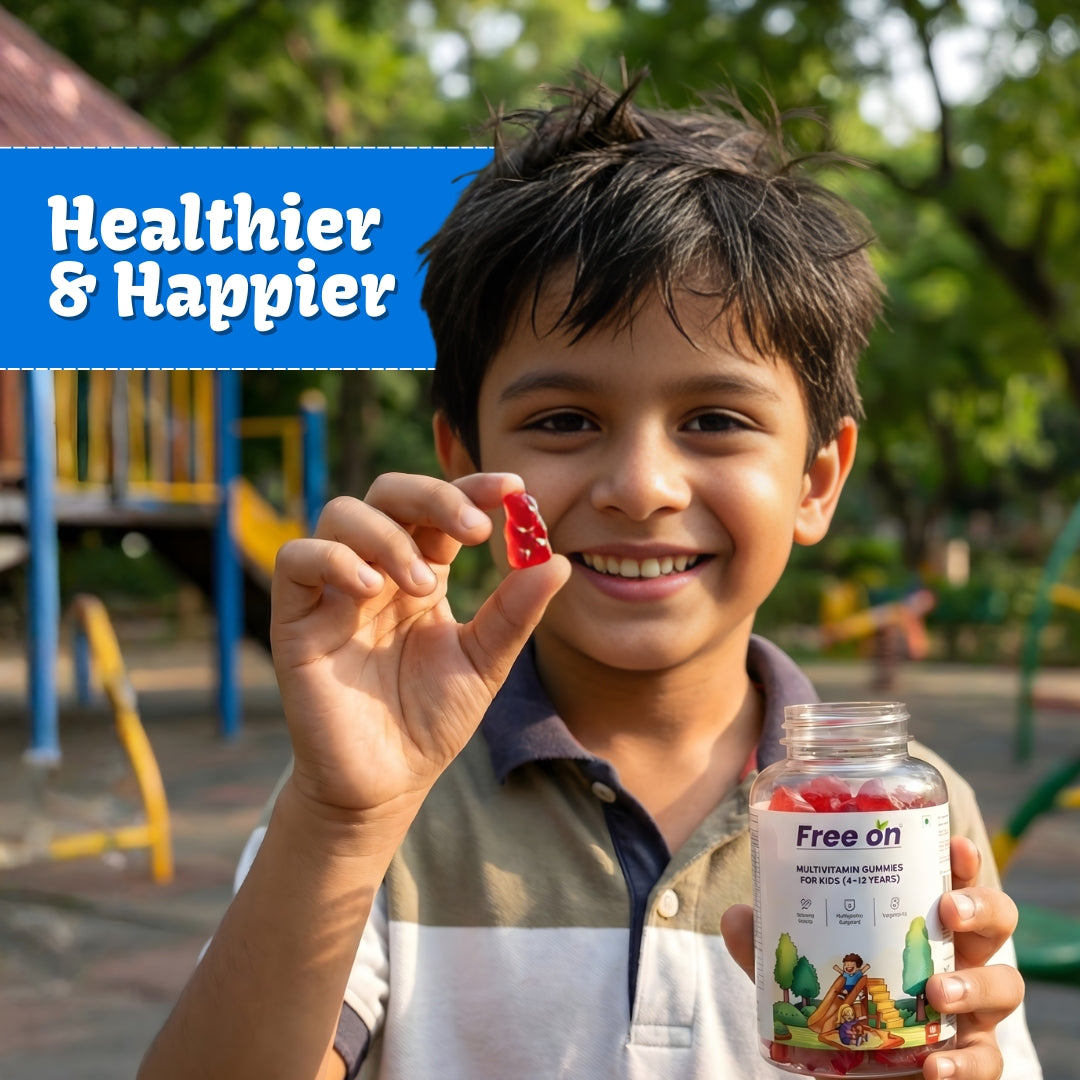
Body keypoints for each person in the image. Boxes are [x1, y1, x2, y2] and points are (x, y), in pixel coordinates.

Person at [139, 71, 1039, 1080]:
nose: (641, 486)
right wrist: (340, 820)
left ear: (817, 479)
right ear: (463, 462)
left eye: (715, 421)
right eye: (564, 422)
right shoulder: (380, 799)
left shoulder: (905, 814)